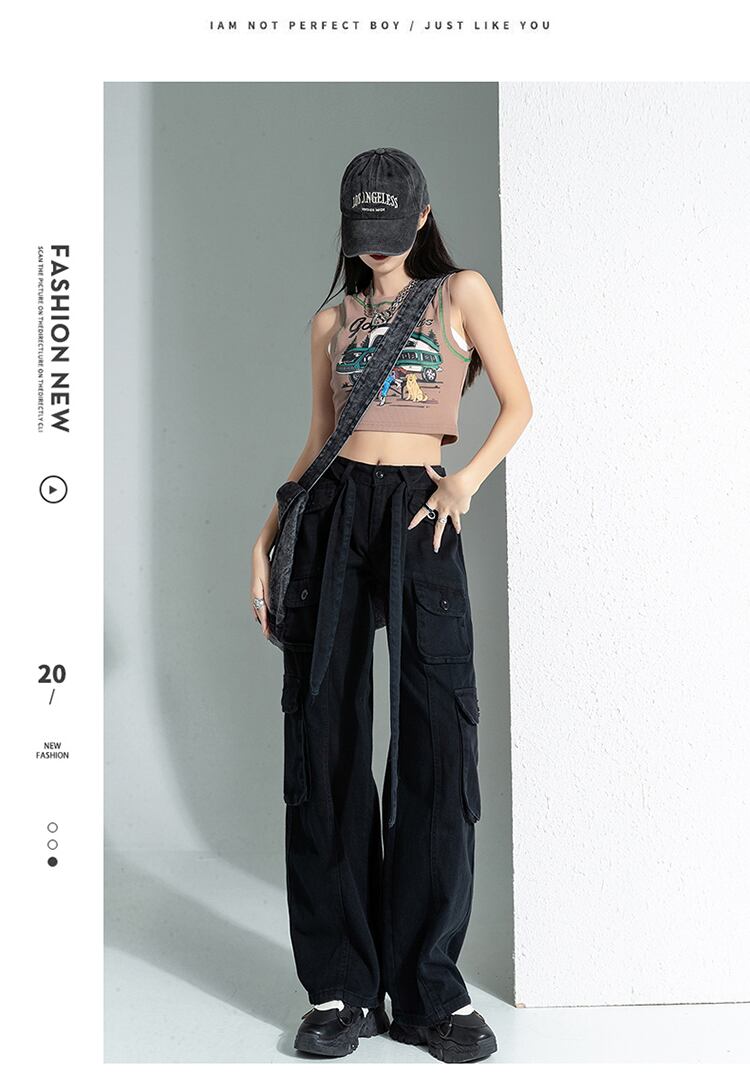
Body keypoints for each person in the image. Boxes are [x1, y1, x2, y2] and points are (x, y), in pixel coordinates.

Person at [250, 148, 532, 1063]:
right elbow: (316, 441)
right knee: (324, 739)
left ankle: (428, 992)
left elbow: (519, 404)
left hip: (421, 509)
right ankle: (340, 989)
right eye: (362, 233)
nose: (376, 247)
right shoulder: (331, 321)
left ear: (421, 217)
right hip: (333, 516)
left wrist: (465, 484)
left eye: (391, 229)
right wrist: (267, 537)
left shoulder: (459, 294)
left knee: (437, 743)